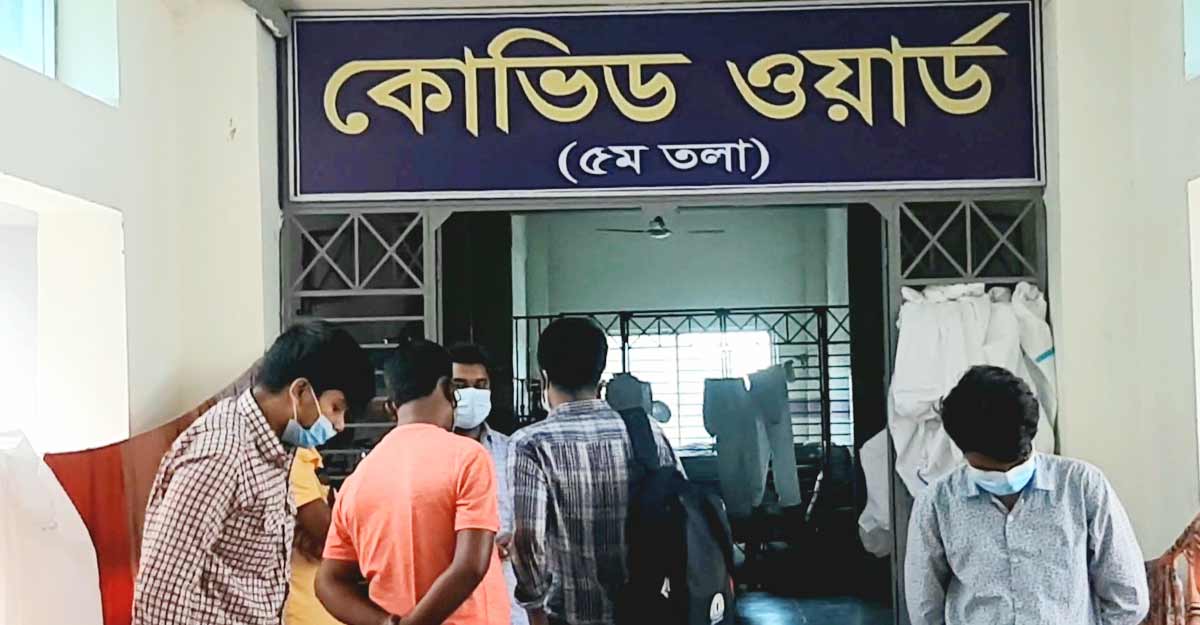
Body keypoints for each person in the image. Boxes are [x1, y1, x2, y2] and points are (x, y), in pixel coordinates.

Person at [133, 320, 374, 625]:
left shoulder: (276, 450)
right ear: (300, 391)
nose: (339, 425)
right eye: (336, 407)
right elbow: (162, 588)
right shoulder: (222, 453)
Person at [905, 365, 1149, 625]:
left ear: (1029, 440)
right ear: (963, 450)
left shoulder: (1082, 486)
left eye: (1015, 465)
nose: (1006, 477)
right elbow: (925, 611)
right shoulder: (937, 504)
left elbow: (1128, 599)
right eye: (989, 470)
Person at [316, 338, 510, 625]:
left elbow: (328, 583)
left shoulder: (359, 478)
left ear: (391, 407)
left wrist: (384, 622)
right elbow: (470, 566)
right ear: (450, 391)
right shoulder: (468, 457)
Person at [509, 318, 679, 625]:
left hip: (570, 616)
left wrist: (534, 609)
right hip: (647, 611)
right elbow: (683, 513)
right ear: (600, 375)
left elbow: (528, 541)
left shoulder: (531, 443)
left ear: (544, 376)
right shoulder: (648, 431)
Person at [449, 343, 530, 625]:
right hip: (448, 607)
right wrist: (476, 549)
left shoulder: (513, 451)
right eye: (460, 385)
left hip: (508, 604)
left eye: (480, 385)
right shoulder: (427, 454)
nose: (472, 394)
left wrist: (518, 539)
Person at [287, 447, 345, 625]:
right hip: (304, 612)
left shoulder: (308, 463)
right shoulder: (295, 464)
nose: (340, 430)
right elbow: (333, 538)